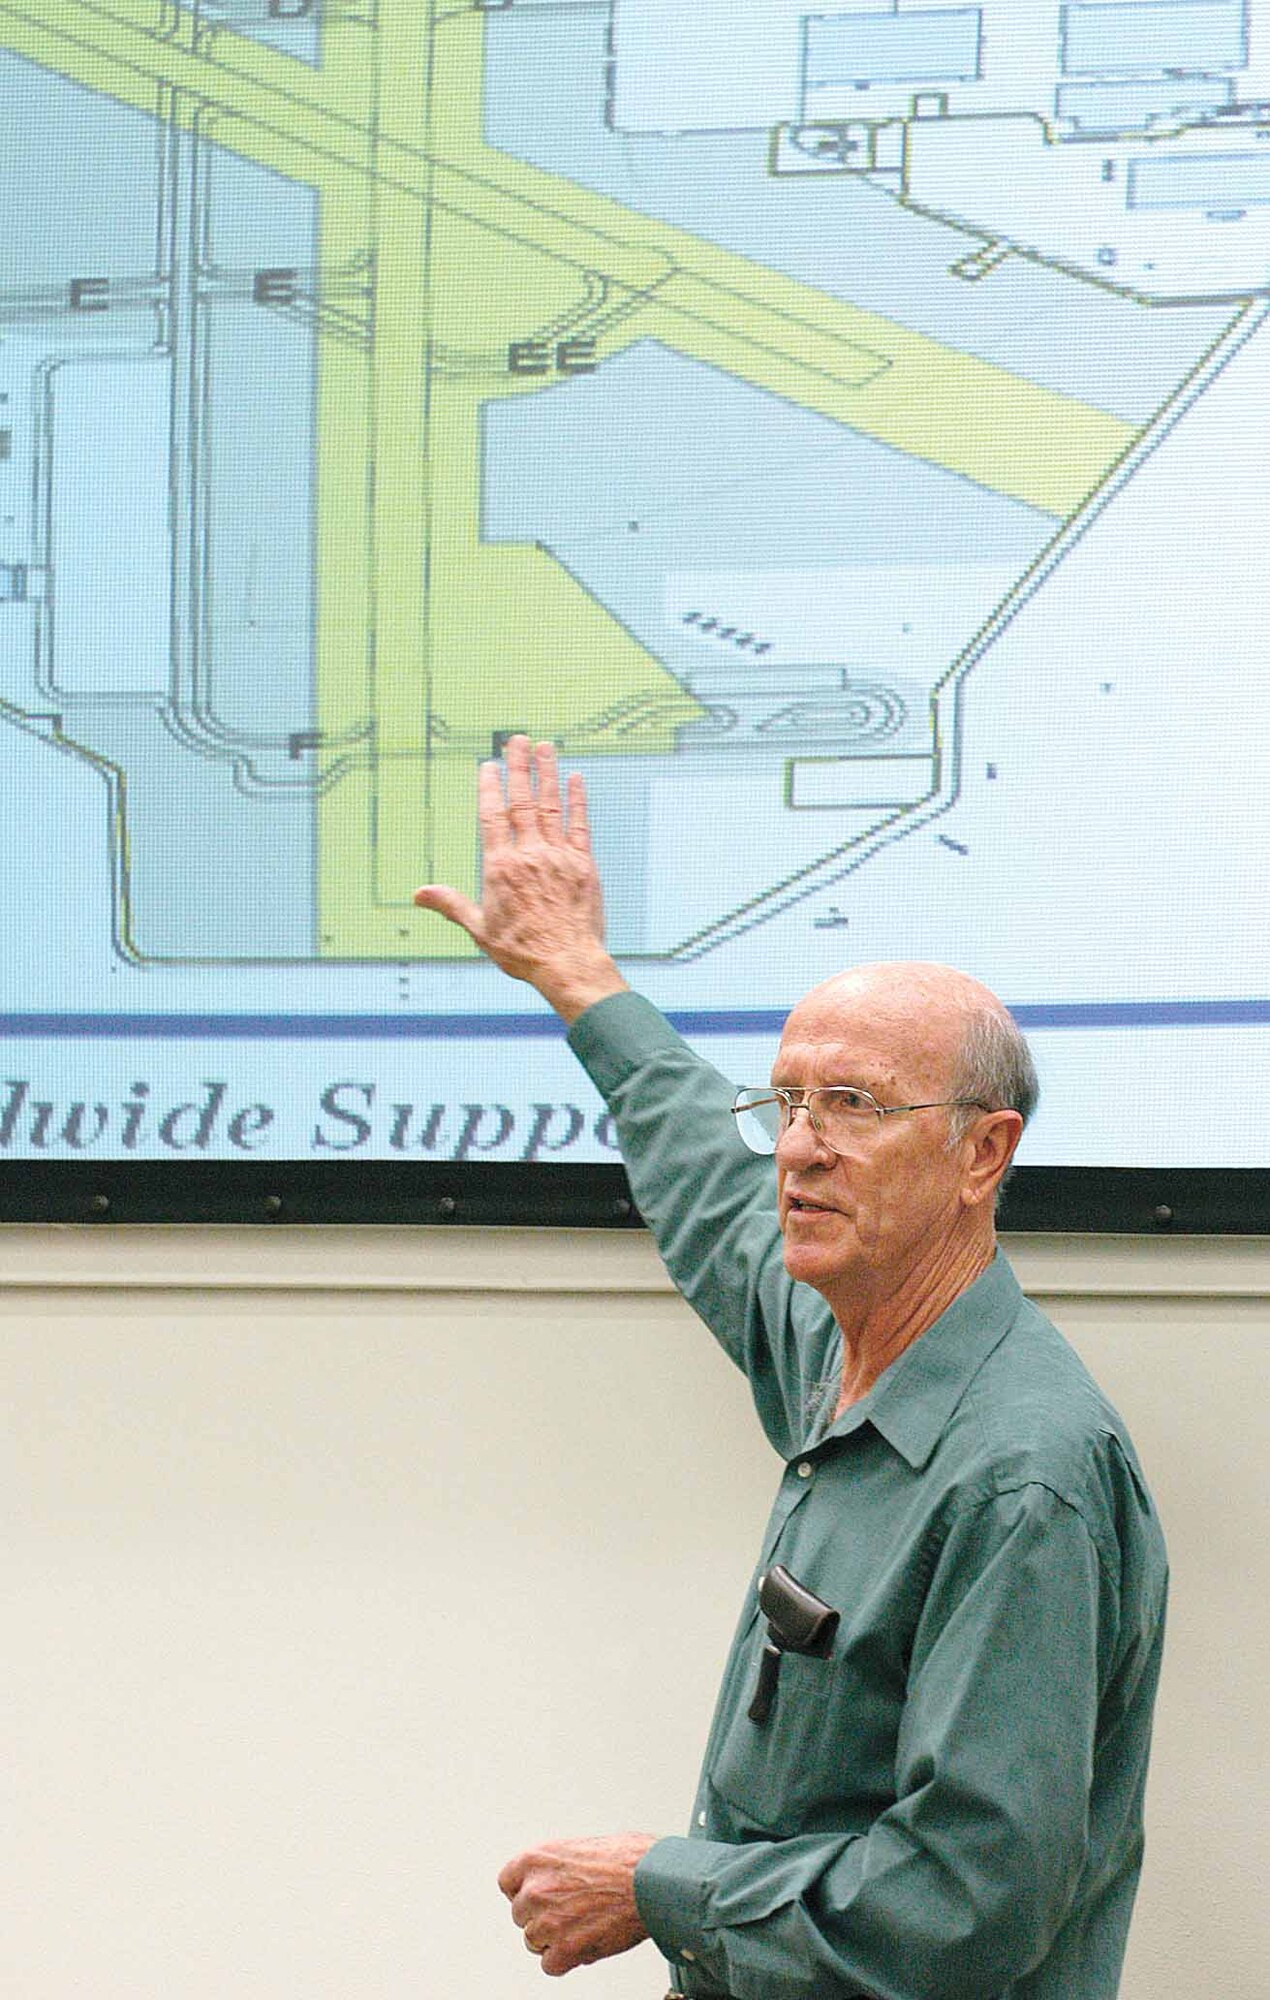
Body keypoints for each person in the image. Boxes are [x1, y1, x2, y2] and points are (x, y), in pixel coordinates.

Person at [414, 738, 1168, 1999]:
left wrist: (660, 1884)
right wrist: (579, 979)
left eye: (857, 1106)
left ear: (983, 1153)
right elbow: (710, 1177)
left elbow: (969, 1902)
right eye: (789, 1103)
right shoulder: (846, 1339)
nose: (798, 1150)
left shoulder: (1018, 1477)